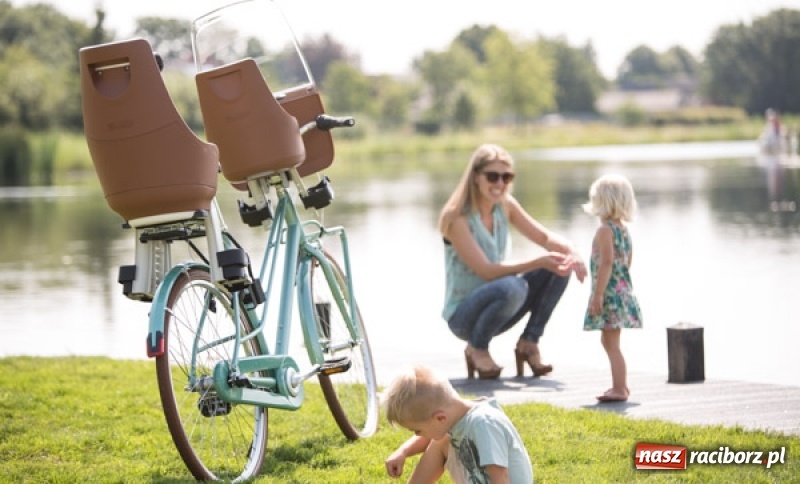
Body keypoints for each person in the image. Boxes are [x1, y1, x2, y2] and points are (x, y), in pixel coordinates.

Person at [438, 143, 587, 379]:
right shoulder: (456, 217)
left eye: (506, 177)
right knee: (513, 285)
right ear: (476, 177)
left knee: (560, 267)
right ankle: (477, 347)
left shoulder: (505, 206)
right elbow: (486, 271)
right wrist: (537, 262)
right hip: (464, 316)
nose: (500, 184)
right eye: (493, 176)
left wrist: (573, 253)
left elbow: (545, 237)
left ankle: (529, 343)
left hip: (501, 304)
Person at [383, 366, 533, 483]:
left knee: (441, 440)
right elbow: (431, 437)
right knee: (440, 441)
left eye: (417, 430)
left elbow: (500, 476)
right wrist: (403, 452)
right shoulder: (456, 417)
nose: (417, 435)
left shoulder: (484, 424)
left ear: (440, 418)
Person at [582, 174, 643, 402]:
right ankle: (620, 386)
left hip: (609, 294)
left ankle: (620, 388)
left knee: (611, 343)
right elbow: (627, 262)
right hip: (622, 291)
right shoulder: (623, 230)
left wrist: (598, 295)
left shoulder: (605, 231)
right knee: (609, 341)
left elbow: (607, 262)